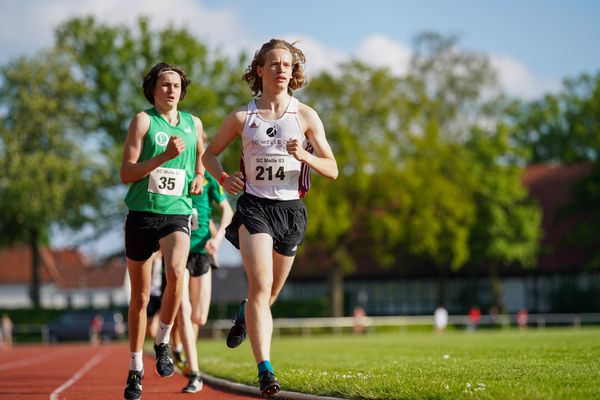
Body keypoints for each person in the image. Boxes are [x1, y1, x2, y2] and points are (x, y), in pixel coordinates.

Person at [202, 38, 338, 397]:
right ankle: (265, 370)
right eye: (274, 63)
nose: (281, 69)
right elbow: (208, 154)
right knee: (261, 287)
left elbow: (333, 169)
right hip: (255, 208)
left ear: (295, 73)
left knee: (270, 293)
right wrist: (222, 177)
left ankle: (244, 314)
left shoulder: (305, 116)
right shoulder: (241, 118)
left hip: (291, 211)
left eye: (287, 64)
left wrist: (304, 157)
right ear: (259, 70)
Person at [120, 62, 204, 400]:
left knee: (176, 272)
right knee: (140, 298)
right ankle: (135, 367)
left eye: (176, 86)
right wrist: (164, 156)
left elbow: (199, 155)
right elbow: (126, 173)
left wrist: (199, 176)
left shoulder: (193, 123)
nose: (171, 90)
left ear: (183, 91)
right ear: (153, 90)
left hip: (176, 213)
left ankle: (164, 341)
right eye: (165, 85)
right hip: (142, 213)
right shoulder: (143, 121)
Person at [176, 130, 234, 393]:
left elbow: (227, 212)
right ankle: (194, 372)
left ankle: (180, 344)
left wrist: (217, 239)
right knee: (185, 310)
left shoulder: (210, 179)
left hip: (202, 251)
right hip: (178, 249)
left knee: (199, 315)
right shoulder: (178, 171)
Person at [145, 250, 166, 340]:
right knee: (151, 332)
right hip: (151, 294)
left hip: (162, 294)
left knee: (164, 322)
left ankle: (165, 342)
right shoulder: (151, 256)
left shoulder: (166, 258)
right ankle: (160, 340)